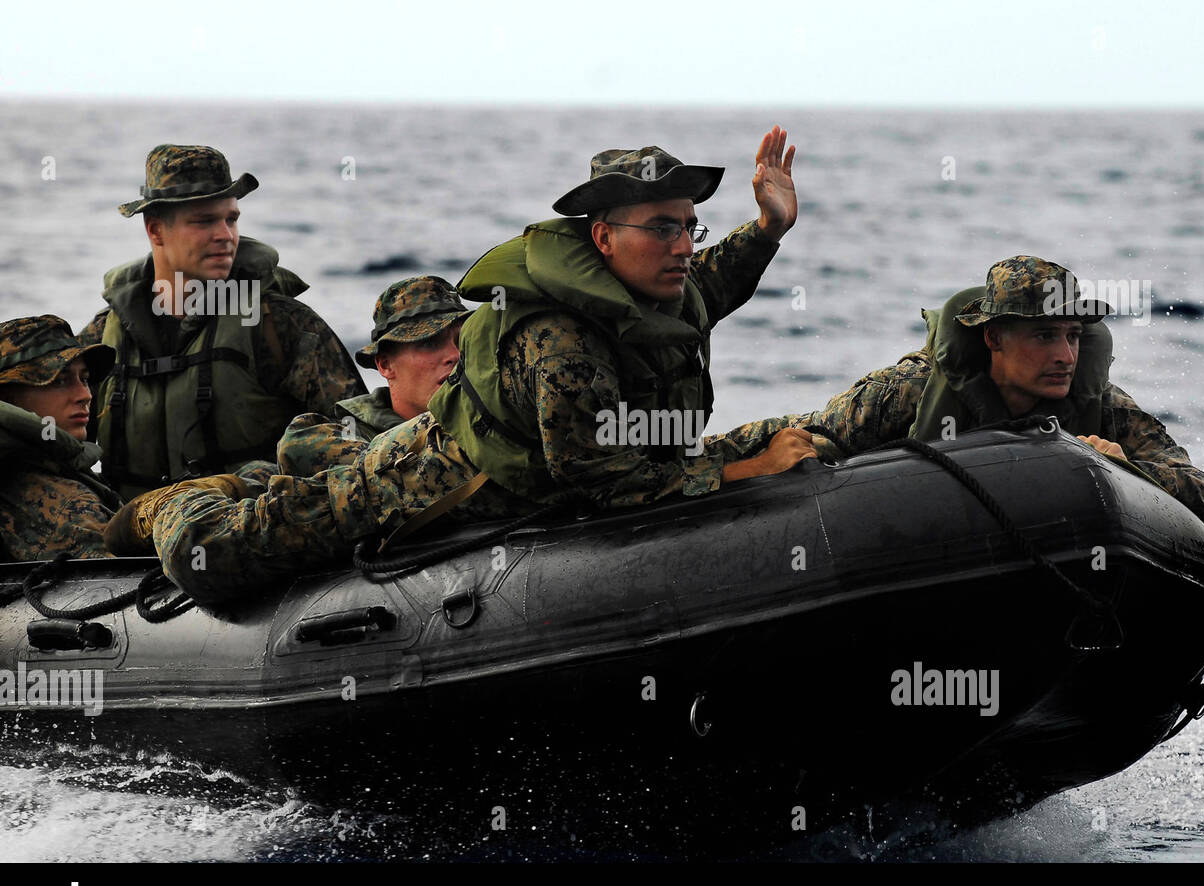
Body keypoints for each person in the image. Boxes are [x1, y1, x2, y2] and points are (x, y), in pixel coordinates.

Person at [106, 127, 817, 602]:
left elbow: (710, 287)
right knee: (221, 558)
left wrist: (767, 229)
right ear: (603, 238)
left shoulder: (653, 292)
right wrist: (741, 472)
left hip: (519, 487)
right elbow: (606, 484)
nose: (685, 246)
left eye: (690, 226)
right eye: (663, 229)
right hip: (419, 478)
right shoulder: (559, 343)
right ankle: (178, 502)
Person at [726, 256, 1204, 535]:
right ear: (992, 338)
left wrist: (1131, 473)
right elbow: (810, 436)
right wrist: (707, 465)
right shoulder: (912, 391)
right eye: (1043, 336)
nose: (1065, 356)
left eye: (1073, 336)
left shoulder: (1106, 410)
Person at [78, 143, 366, 500]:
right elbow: (52, 452)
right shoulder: (101, 339)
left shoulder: (280, 325)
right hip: (131, 548)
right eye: (204, 222)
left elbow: (357, 450)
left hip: (250, 538)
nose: (225, 236)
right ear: (155, 231)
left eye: (231, 219)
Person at [276, 276, 470, 476]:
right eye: (429, 343)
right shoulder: (352, 434)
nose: (455, 355)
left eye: (462, 340)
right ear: (385, 365)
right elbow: (296, 448)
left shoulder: (492, 421)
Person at [0, 316, 122, 561]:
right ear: (8, 396)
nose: (85, 395)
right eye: (59, 380)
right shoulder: (71, 508)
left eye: (84, 379)